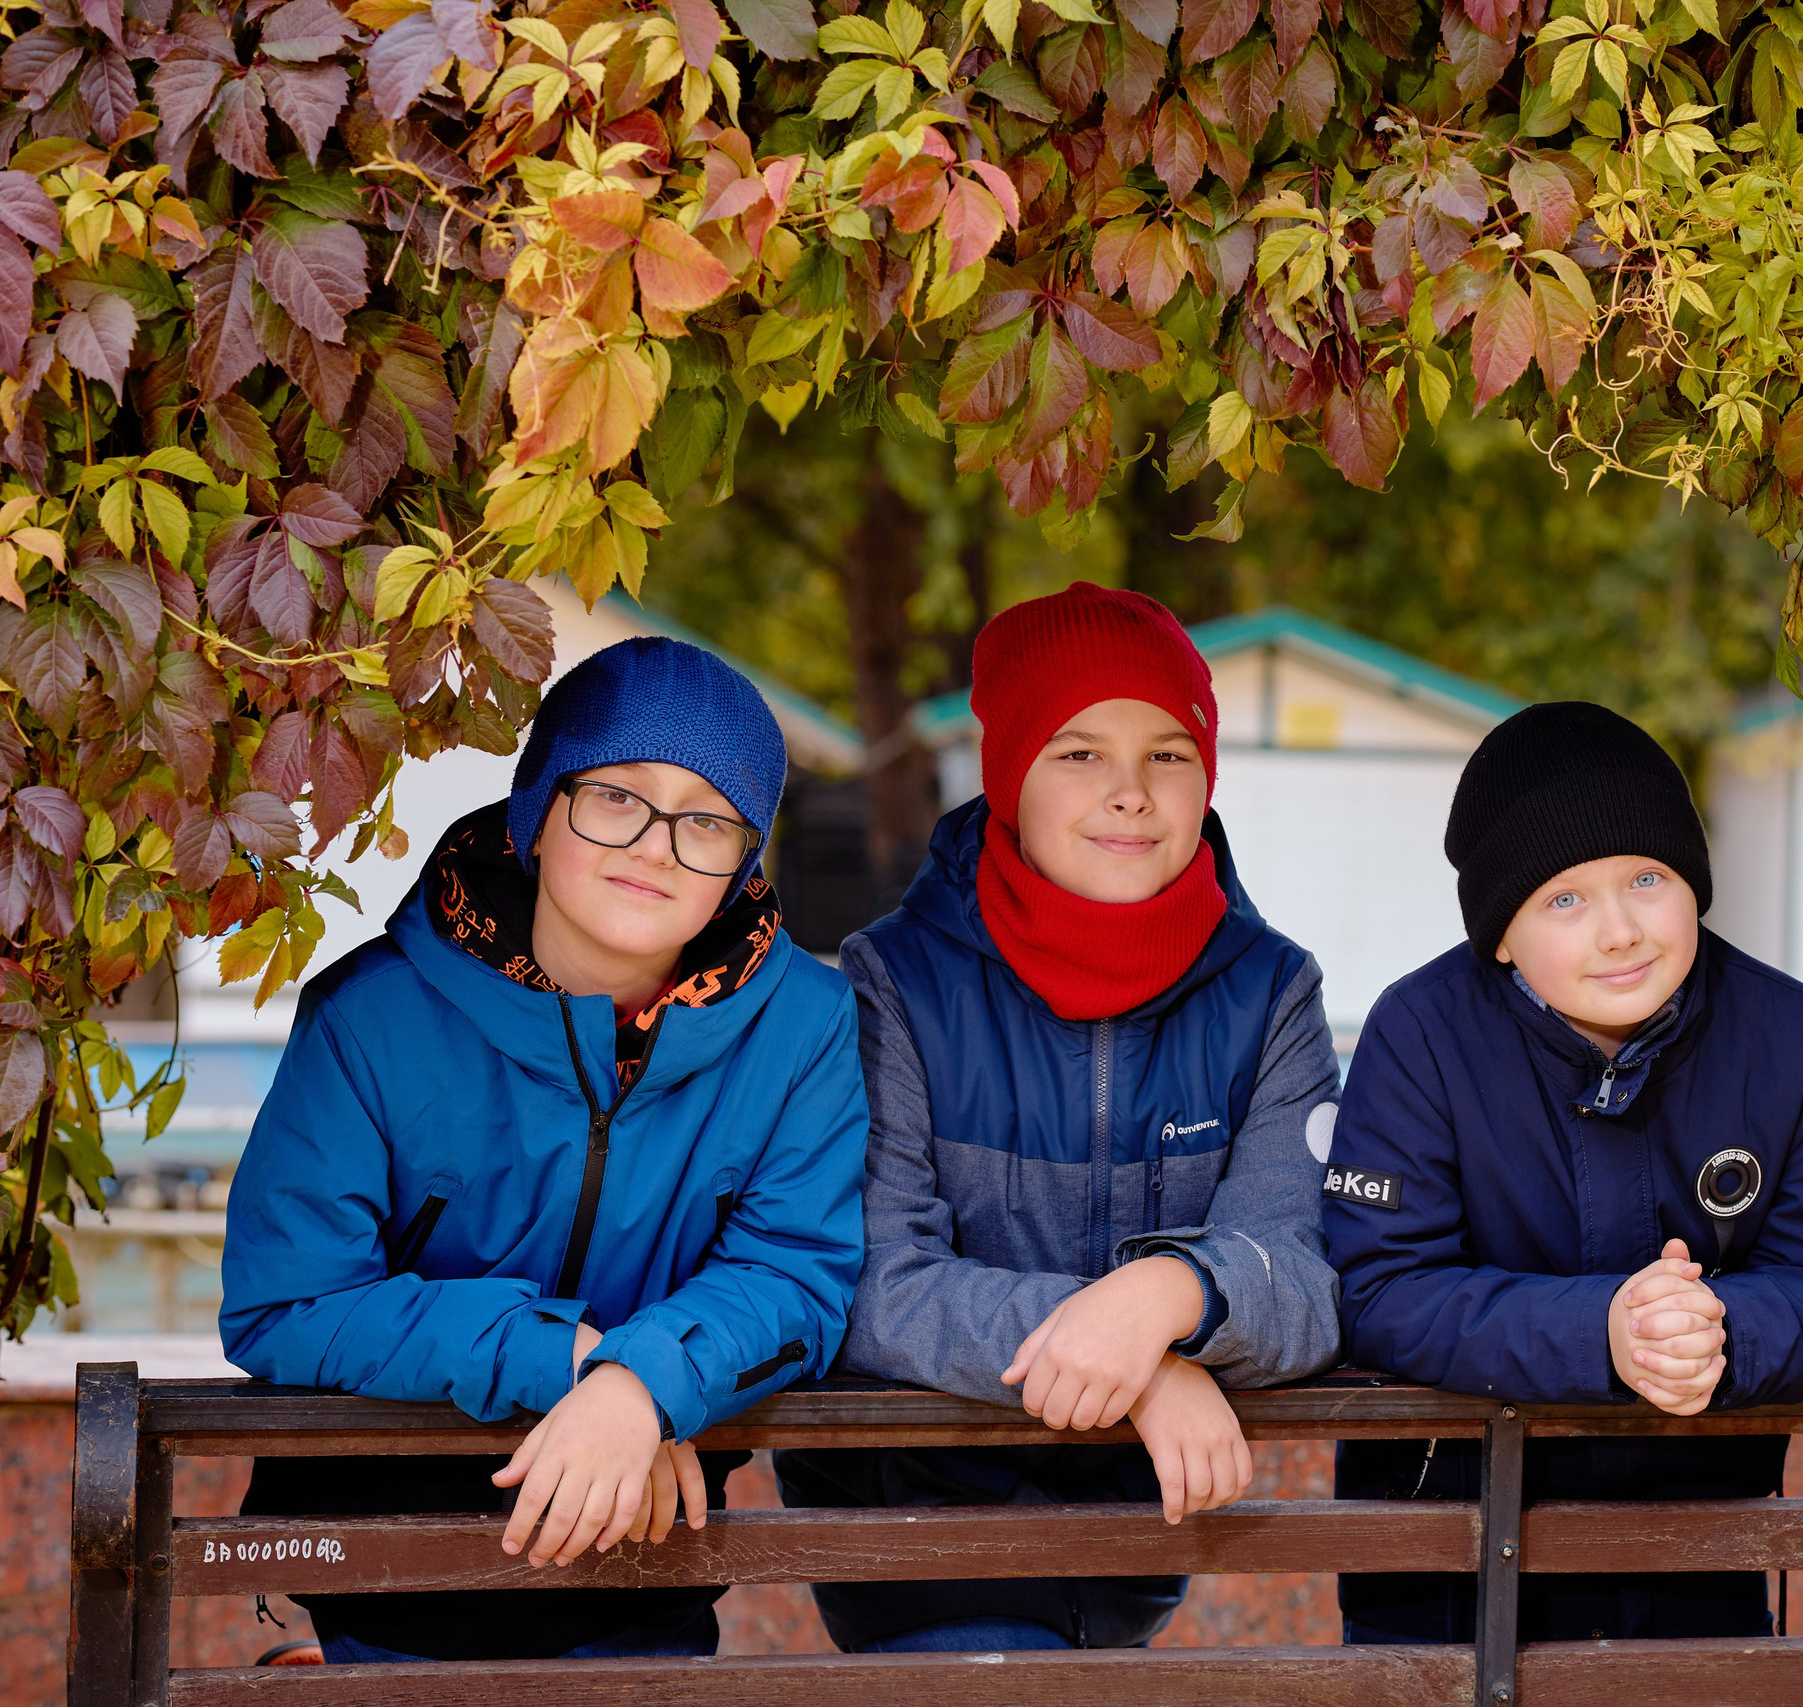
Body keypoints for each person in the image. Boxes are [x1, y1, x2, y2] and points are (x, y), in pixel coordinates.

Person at [219, 637, 869, 1664]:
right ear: (537, 808)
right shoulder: (371, 1015)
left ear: (742, 860)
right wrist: (572, 1360)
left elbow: (796, 1273)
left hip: (641, 1566)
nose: (657, 845)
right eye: (617, 795)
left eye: (705, 819)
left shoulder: (806, 1027)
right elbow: (286, 1303)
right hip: (386, 1562)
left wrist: (644, 1383)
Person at [775, 582, 1341, 1654]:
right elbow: (872, 1282)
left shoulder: (1270, 994)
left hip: (1135, 1532)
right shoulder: (890, 984)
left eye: (1168, 754)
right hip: (913, 1517)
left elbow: (1304, 1272)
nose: (1129, 793)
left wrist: (1171, 1288)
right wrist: (1144, 1364)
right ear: (1008, 778)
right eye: (1078, 751)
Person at [1322, 701, 1803, 1644]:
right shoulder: (1420, 1034)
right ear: (1501, 933)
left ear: (1694, 883)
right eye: (1565, 899)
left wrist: (1717, 1331)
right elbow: (1379, 1285)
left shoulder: (1790, 1035)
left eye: (1647, 878)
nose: (1620, 929)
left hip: (1699, 1539)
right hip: (1445, 1552)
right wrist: (1603, 1332)